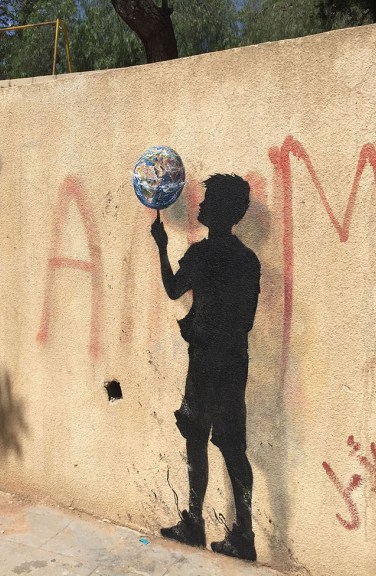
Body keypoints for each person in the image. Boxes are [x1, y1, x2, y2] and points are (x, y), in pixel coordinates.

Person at [151, 173, 260, 561]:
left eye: (207, 200)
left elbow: (173, 289)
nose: (200, 205)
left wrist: (162, 247)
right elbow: (246, 320)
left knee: (196, 438)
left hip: (204, 363)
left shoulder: (202, 254)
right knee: (233, 447)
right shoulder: (248, 260)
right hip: (233, 362)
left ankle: (194, 522)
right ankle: (244, 534)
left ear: (222, 210)